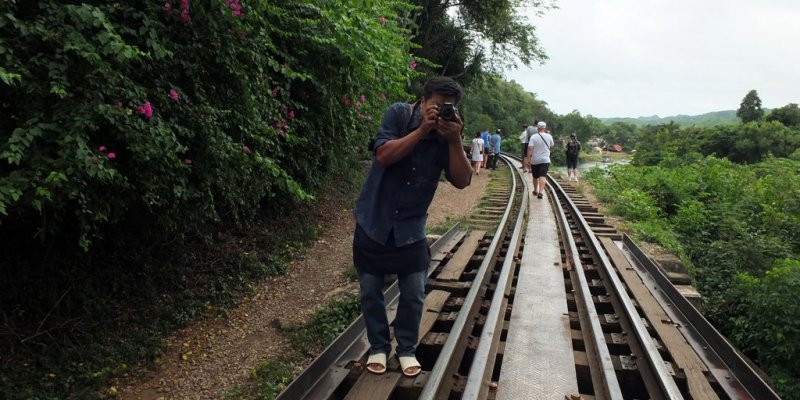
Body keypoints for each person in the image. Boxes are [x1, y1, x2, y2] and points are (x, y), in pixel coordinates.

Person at [353, 77, 472, 378]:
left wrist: (455, 140)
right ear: (422, 101)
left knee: (415, 291)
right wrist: (420, 132)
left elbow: (462, 181)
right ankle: (379, 345)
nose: (441, 112)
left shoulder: (449, 134)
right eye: (436, 105)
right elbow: (383, 156)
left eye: (449, 107)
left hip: (411, 226)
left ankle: (406, 348)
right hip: (374, 219)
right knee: (370, 290)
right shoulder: (398, 114)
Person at [527, 120, 554, 199]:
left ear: (537, 128)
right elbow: (552, 145)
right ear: (545, 128)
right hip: (545, 159)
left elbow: (530, 148)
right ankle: (541, 192)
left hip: (535, 160)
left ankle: (535, 190)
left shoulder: (534, 137)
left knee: (535, 176)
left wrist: (529, 159)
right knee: (543, 175)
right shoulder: (549, 136)